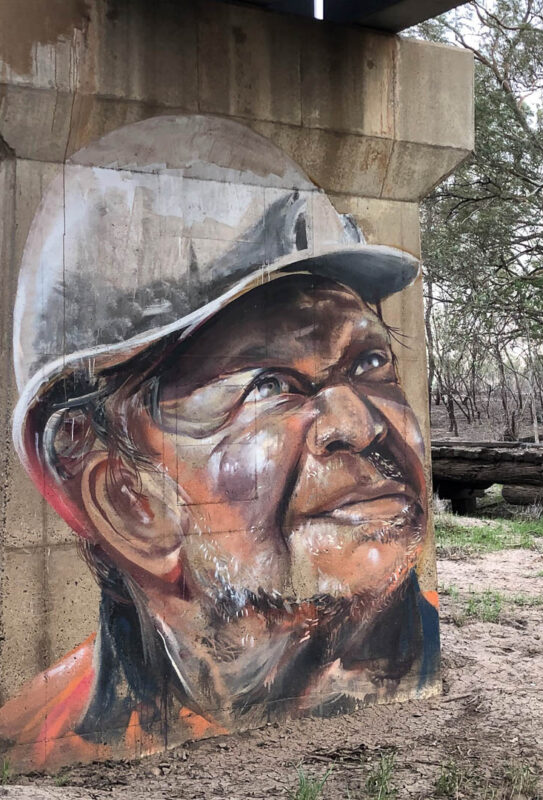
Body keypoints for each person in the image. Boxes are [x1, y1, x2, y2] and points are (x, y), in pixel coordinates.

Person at [0, 116, 439, 770]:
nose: (361, 423)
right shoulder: (36, 734)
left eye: (371, 363)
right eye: (268, 385)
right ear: (123, 495)